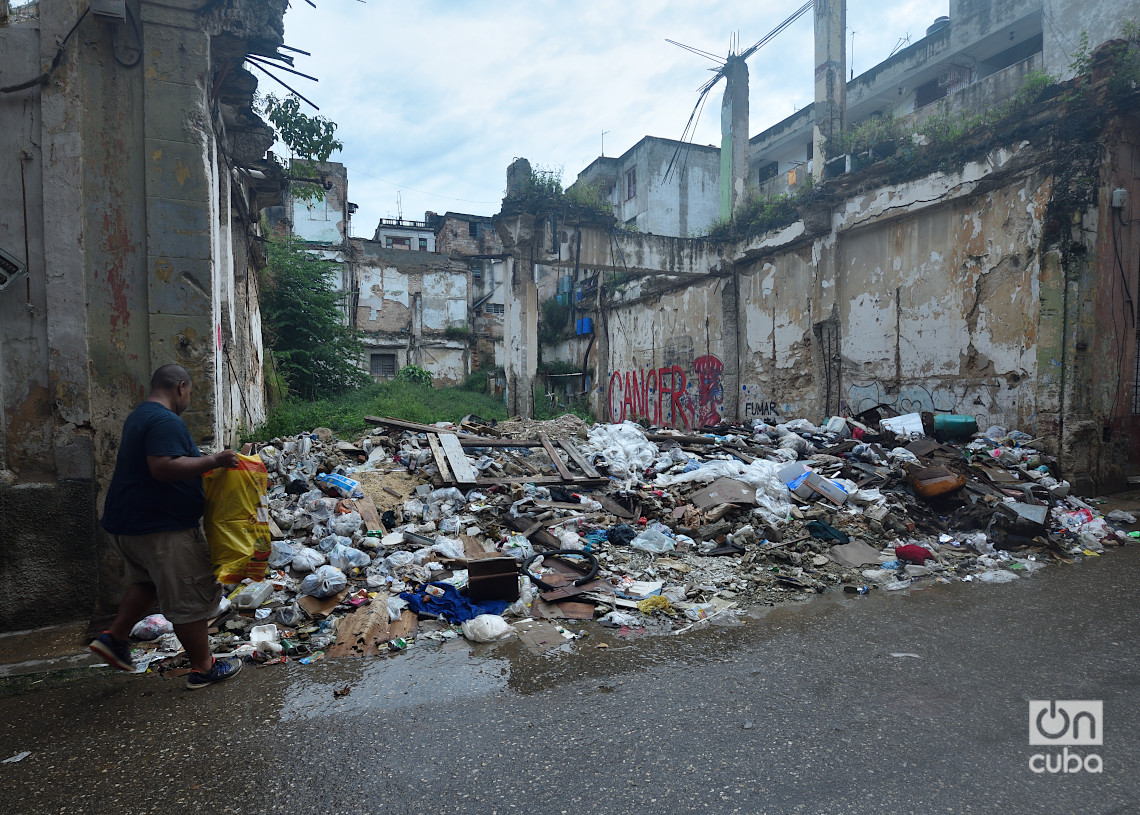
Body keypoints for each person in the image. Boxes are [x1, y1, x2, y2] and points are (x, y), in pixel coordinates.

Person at [90, 364, 243, 689]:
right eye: (189, 393)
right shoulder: (163, 420)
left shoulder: (141, 415)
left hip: (129, 525)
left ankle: (115, 638)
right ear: (181, 387)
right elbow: (163, 467)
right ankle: (203, 667)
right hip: (161, 529)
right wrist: (214, 460)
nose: (188, 398)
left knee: (148, 583)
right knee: (189, 595)